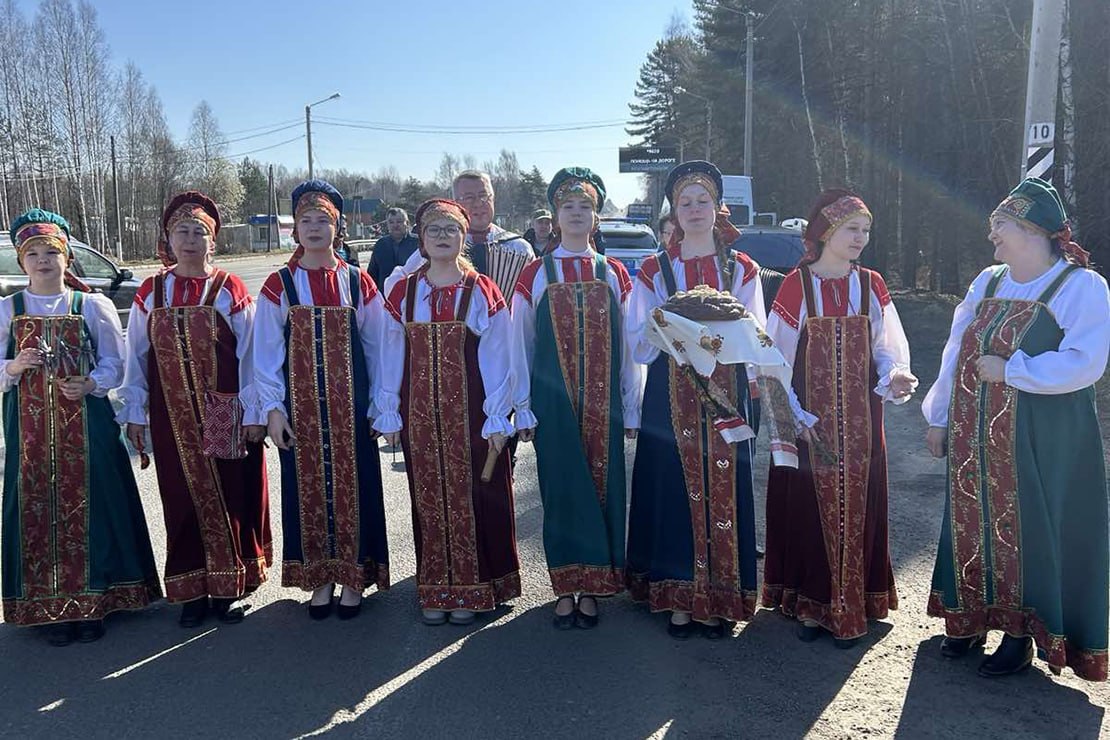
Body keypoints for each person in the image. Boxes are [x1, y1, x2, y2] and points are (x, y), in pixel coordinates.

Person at [922, 178, 1109, 681]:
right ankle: (969, 619)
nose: (992, 235)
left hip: (1044, 436)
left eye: (1001, 225)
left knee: (1028, 528)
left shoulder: (1080, 286)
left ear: (1032, 230)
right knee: (972, 520)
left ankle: (1020, 634)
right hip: (975, 433)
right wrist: (939, 416)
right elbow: (955, 349)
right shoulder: (988, 281)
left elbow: (1086, 361)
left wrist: (1013, 371)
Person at [762, 189, 917, 648]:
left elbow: (887, 346)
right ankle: (812, 603)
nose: (860, 238)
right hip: (813, 423)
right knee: (810, 510)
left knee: (861, 506)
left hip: (863, 423)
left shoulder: (871, 284)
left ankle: (856, 602)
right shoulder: (796, 285)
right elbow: (773, 359)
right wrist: (794, 416)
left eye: (866, 230)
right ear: (826, 231)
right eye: (852, 229)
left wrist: (896, 374)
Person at [0, 209, 161, 646]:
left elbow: (116, 362)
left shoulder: (90, 305)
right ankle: (47, 605)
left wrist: (91, 383)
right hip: (30, 431)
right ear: (21, 260)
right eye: (33, 253)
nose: (43, 260)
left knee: (93, 505)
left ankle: (96, 601)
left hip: (87, 424)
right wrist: (14, 365)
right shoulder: (8, 309)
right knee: (37, 505)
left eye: (51, 252)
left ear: (67, 257)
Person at [625, 161, 767, 639]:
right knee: (672, 485)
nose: (694, 209)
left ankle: (722, 597)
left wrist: (712, 339)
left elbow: (755, 332)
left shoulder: (741, 267)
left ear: (717, 207)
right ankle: (678, 597)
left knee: (725, 483)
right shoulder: (654, 268)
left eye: (702, 200)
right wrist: (669, 328)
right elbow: (639, 340)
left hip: (726, 388)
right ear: (674, 211)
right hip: (669, 391)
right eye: (685, 202)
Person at [118, 191, 271, 628]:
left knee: (230, 492)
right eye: (181, 231)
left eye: (199, 232)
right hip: (172, 415)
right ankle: (192, 589)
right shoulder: (151, 292)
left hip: (225, 410)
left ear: (213, 240)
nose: (189, 239)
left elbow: (251, 354)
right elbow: (136, 356)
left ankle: (230, 585)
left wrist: (254, 412)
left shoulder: (229, 288)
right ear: (168, 239)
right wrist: (134, 411)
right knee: (180, 496)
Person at [376, 199, 520, 626]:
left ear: (463, 238)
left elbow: (500, 355)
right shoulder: (403, 291)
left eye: (450, 229)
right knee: (428, 497)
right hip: (420, 414)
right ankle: (436, 587)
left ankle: (477, 588)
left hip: (472, 413)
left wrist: (499, 415)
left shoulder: (481, 289)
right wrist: (388, 410)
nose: (442, 236)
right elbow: (389, 352)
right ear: (421, 239)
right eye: (434, 229)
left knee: (476, 494)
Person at [511, 167, 641, 629]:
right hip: (553, 404)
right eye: (568, 206)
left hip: (605, 404)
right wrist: (521, 405)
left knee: (605, 487)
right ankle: (566, 586)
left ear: (597, 217)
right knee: (561, 488)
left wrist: (631, 401)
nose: (576, 213)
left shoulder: (614, 272)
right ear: (554, 215)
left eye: (585, 206)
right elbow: (520, 343)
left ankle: (596, 586)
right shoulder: (535, 273)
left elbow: (629, 345)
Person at [254, 179, 390, 620]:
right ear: (295, 229)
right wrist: (273, 409)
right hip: (302, 411)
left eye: (323, 220)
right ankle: (320, 578)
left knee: (358, 486)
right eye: (306, 220)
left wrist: (382, 404)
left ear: (338, 227)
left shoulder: (357, 281)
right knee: (306, 489)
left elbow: (380, 345)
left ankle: (353, 577)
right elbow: (265, 353)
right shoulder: (279, 285)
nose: (314, 228)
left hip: (353, 408)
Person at [401, 171, 533, 303]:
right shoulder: (438, 246)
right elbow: (401, 281)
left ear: (493, 198)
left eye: (484, 196)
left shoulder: (520, 248)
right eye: (469, 198)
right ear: (455, 204)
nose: (478, 203)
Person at [366, 207, 418, 288]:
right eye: (391, 222)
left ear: (407, 223)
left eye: (399, 222)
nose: (395, 225)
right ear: (387, 225)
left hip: (411, 292)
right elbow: (372, 273)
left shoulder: (418, 243)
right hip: (385, 293)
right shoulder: (381, 244)